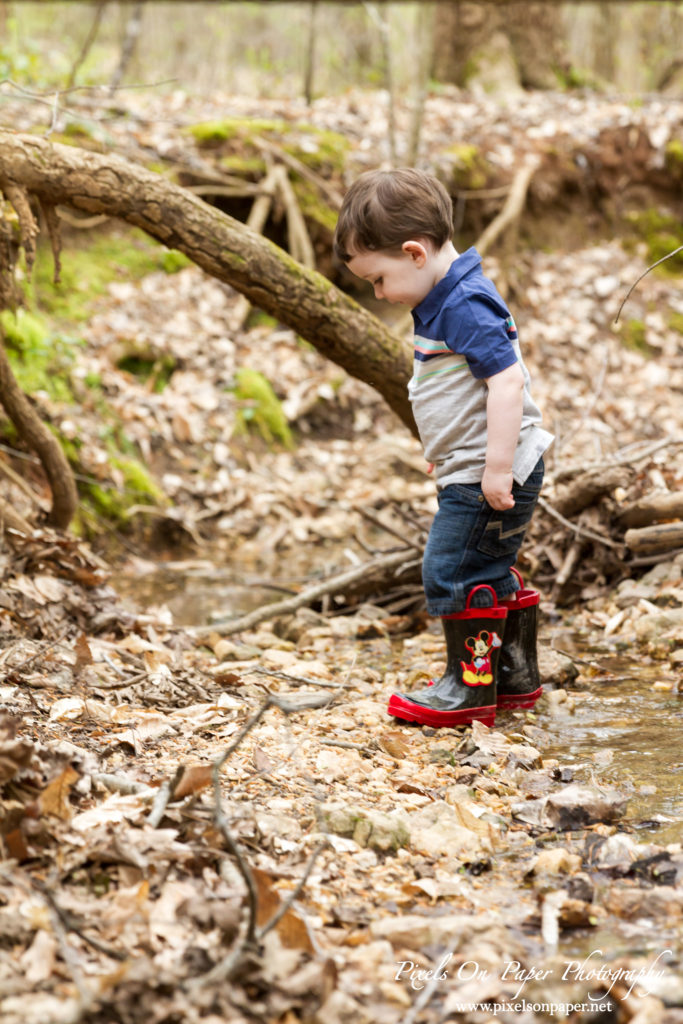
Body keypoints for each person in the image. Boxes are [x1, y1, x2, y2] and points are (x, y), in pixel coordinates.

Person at [333, 168, 553, 728]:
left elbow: (506, 383)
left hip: (493, 470)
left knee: (451, 569)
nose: (378, 293)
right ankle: (513, 675)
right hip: (472, 462)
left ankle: (467, 689)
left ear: (413, 253)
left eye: (378, 279)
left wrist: (496, 468)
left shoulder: (464, 304)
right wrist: (447, 447)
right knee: (487, 566)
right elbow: (457, 389)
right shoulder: (444, 297)